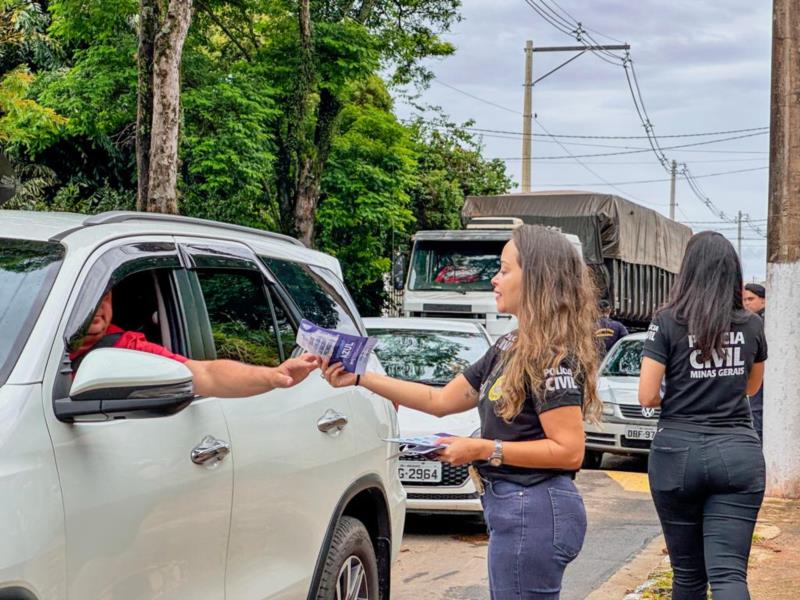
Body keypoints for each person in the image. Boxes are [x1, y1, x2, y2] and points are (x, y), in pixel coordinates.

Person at [323, 225, 602, 600]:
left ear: (537, 278)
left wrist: (482, 449)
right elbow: (439, 401)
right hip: (515, 509)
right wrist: (361, 378)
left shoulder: (550, 358)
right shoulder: (510, 346)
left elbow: (570, 450)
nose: (494, 278)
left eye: (504, 270)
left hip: (534, 510)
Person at [639, 231, 766, 599]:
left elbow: (647, 395)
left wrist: (683, 395)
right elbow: (751, 388)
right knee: (729, 575)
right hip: (737, 452)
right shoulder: (752, 324)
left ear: (687, 271)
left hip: (677, 453)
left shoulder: (666, 322)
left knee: (689, 575)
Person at [70, 290, 320, 397]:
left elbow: (205, 373)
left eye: (105, 296)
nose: (99, 308)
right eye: (88, 299)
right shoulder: (38, 350)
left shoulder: (126, 347)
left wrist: (272, 375)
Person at [742, 283, 766, 441]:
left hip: (763, 376)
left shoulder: (761, 322)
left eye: (751, 299)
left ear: (764, 301)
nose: (746, 303)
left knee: (757, 412)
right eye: (744, 299)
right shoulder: (749, 322)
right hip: (758, 376)